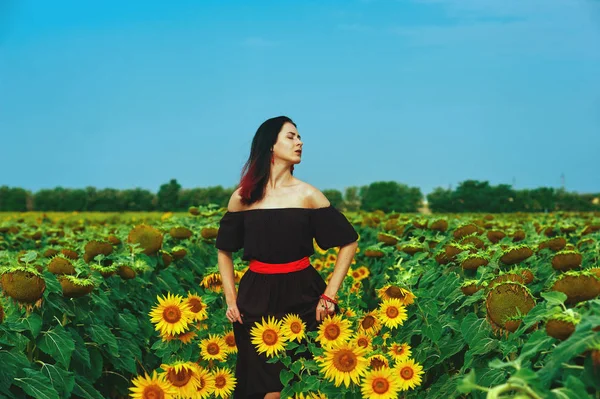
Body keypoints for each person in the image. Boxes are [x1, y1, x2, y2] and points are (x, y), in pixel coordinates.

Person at [215, 116, 359, 399]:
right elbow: (224, 250)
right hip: (255, 298)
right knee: (262, 389)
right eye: (291, 136)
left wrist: (330, 295)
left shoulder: (308, 194)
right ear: (270, 145)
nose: (300, 142)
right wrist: (231, 300)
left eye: (299, 137)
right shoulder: (243, 197)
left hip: (303, 296)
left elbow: (349, 241)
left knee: (298, 385)